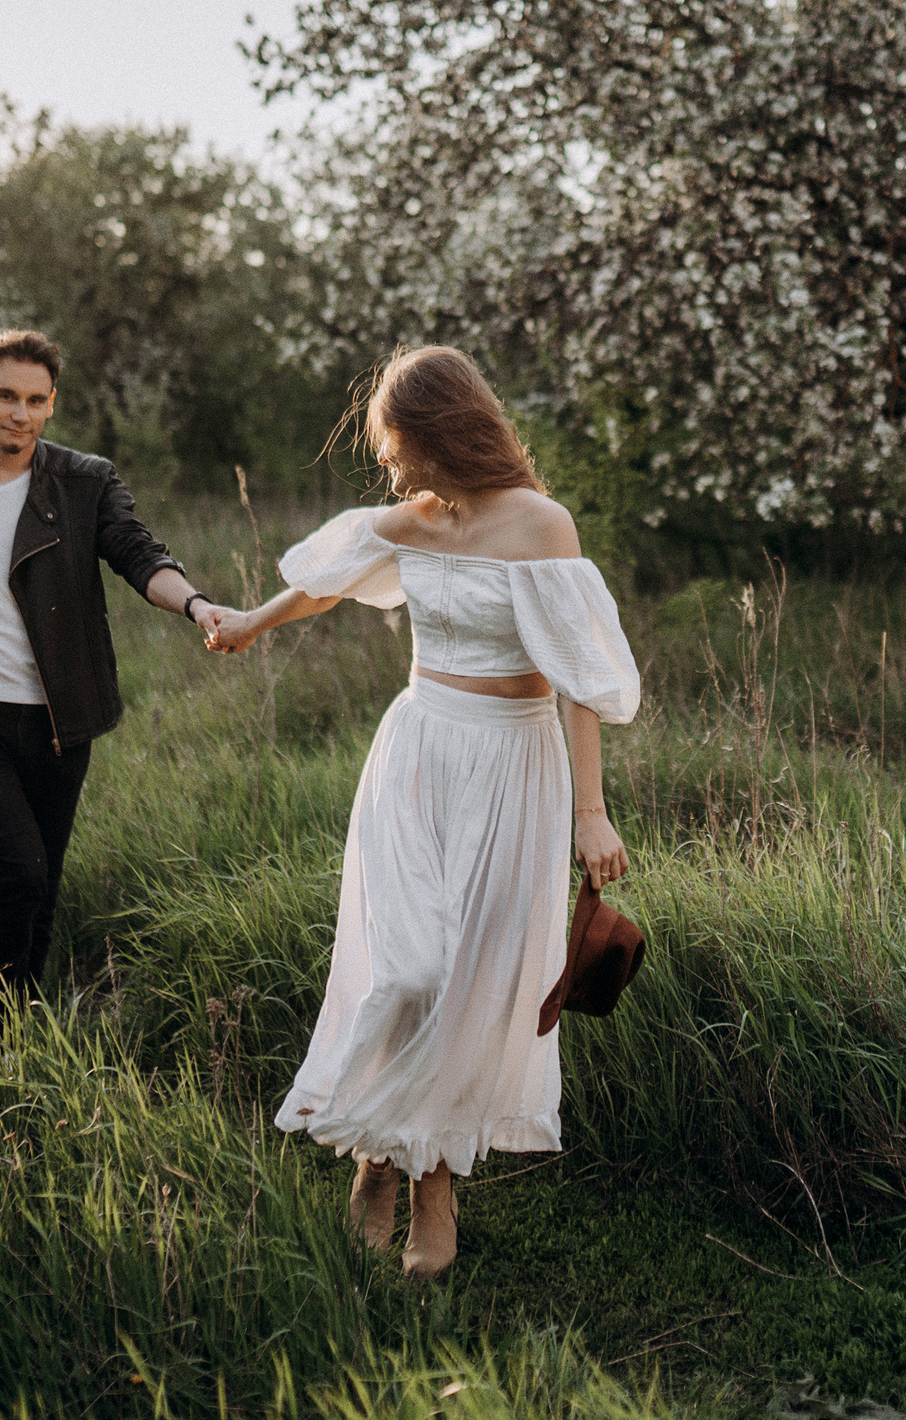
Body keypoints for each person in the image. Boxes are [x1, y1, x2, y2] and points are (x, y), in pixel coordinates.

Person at [204, 346, 641, 1280]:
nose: (389, 465)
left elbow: (580, 681)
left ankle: (429, 1183)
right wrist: (249, 620)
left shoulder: (541, 525)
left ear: (441, 430)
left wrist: (591, 813)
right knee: (404, 968)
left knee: (467, 981)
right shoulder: (414, 518)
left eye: (395, 444)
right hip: (413, 755)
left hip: (511, 766)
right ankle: (374, 1155)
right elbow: (323, 584)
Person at [0, 328, 222, 1017]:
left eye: (36, 400)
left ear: (52, 406)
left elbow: (138, 554)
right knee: (17, 868)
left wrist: (195, 605)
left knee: (42, 875)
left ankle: (19, 1018)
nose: (19, 413)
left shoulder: (84, 482)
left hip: (56, 713)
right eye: (6, 395)